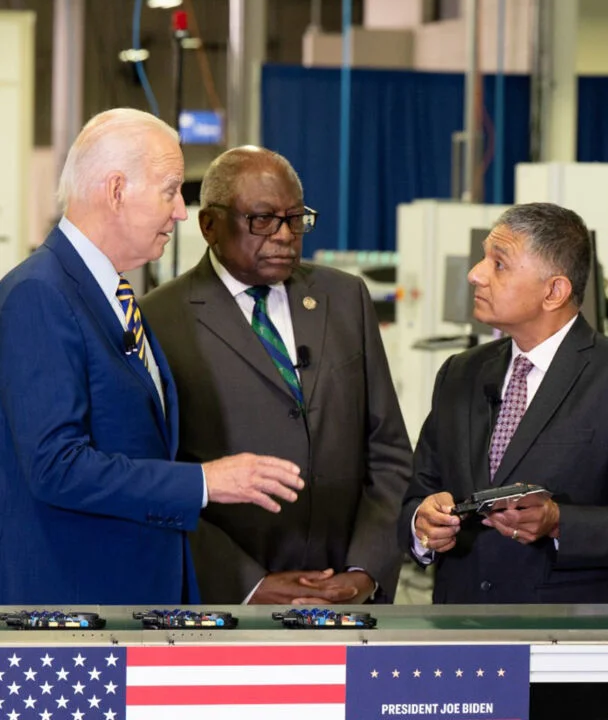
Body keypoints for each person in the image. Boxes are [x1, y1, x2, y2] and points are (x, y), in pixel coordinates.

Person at [0, 109, 304, 605]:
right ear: (116, 190)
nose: (181, 212)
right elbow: (55, 466)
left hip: (134, 597)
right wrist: (205, 481)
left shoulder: (108, 294)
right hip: (77, 609)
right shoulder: (39, 293)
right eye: (170, 191)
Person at [401, 202, 608, 720]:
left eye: (498, 262)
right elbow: (417, 490)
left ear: (554, 290)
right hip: (456, 654)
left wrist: (561, 522)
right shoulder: (460, 374)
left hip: (568, 659)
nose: (475, 273)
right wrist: (423, 523)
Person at [141, 146, 414, 605]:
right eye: (263, 220)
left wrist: (366, 570)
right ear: (210, 225)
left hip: (345, 598)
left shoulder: (344, 298)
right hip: (227, 605)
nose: (285, 235)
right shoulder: (160, 319)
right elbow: (159, 481)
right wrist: (248, 585)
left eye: (295, 219)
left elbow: (387, 450)